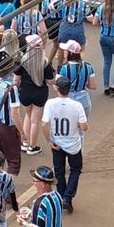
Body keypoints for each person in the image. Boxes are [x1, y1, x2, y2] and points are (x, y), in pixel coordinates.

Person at [42, 76, 87, 214]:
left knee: (59, 171)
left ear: (56, 88)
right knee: (75, 169)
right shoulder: (77, 106)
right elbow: (84, 127)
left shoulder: (50, 103)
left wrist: (49, 141)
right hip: (73, 144)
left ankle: (62, 196)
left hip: (57, 143)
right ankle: (67, 197)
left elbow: (44, 124)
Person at [14, 35, 55, 156]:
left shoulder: (21, 61)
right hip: (40, 94)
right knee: (35, 121)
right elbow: (50, 81)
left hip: (24, 93)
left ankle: (25, 142)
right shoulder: (45, 63)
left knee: (28, 116)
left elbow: (16, 80)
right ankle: (32, 147)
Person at [0, 51, 24, 175]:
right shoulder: (11, 88)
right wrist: (22, 132)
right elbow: (15, 113)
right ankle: (8, 184)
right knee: (13, 161)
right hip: (8, 128)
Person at [58, 40, 97, 116]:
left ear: (70, 53)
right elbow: (93, 86)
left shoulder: (63, 68)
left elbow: (58, 87)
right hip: (84, 101)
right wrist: (84, 84)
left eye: (66, 50)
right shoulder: (88, 67)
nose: (64, 52)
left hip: (68, 100)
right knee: (82, 122)